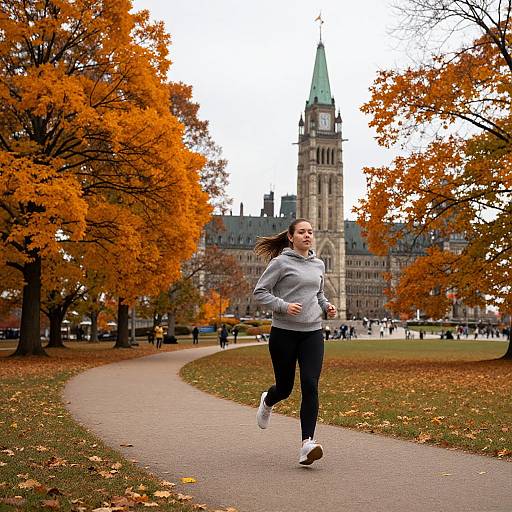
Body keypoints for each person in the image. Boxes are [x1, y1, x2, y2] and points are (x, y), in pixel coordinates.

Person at [252, 218, 337, 466]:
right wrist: (283, 306)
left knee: (310, 384)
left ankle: (306, 444)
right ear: (291, 237)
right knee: (285, 388)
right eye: (302, 232)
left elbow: (318, 293)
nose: (307, 236)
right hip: (284, 333)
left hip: (312, 332)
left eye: (310, 232)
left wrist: (326, 306)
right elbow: (260, 292)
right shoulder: (280, 263)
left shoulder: (318, 264)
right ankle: (268, 400)